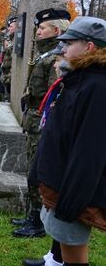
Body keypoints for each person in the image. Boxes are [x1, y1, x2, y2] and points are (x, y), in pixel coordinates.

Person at [31, 16, 106, 266]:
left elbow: (90, 151)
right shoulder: (79, 79)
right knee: (63, 244)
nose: (63, 48)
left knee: (74, 255)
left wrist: (70, 204)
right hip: (59, 183)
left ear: (90, 47)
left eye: (69, 42)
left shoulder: (97, 87)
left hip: (71, 192)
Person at [13, 8, 71, 240]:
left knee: (36, 172)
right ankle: (31, 214)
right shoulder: (43, 55)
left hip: (42, 122)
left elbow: (53, 95)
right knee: (31, 169)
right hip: (34, 119)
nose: (38, 32)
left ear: (55, 30)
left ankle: (36, 222)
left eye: (42, 28)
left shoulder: (55, 59)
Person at [0, 17, 17, 102]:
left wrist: (8, 77)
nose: (9, 28)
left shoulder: (15, 40)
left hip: (10, 76)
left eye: (11, 26)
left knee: (9, 99)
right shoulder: (12, 38)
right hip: (6, 75)